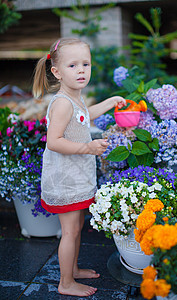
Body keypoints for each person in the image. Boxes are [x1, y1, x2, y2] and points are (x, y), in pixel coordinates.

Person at [32, 37, 126, 297]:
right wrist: (87, 147)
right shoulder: (62, 103)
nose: (82, 70)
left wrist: (110, 102)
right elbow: (53, 141)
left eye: (86, 64)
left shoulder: (75, 99)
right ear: (57, 72)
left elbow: (85, 115)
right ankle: (65, 282)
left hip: (76, 176)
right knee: (70, 231)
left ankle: (71, 269)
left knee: (76, 228)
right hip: (65, 179)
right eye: (73, 65)